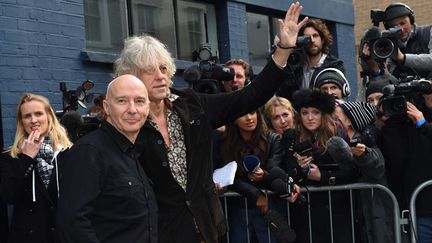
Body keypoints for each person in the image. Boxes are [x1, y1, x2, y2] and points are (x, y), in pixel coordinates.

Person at [113, 2, 309, 242]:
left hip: (206, 227)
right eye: (149, 70)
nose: (161, 76)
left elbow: (251, 96)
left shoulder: (192, 105)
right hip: (158, 232)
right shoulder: (125, 123)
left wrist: (284, 49)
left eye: (163, 67)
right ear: (131, 76)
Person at [56, 75, 158, 243]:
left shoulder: (133, 151)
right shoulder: (89, 152)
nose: (132, 109)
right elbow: (72, 223)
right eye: (122, 101)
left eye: (139, 101)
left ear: (148, 107)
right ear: (107, 107)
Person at [281, 89, 359, 243]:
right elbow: (286, 172)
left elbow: (354, 172)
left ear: (323, 114)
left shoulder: (337, 136)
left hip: (338, 210)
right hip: (305, 212)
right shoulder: (291, 137)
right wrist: (300, 169)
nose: (310, 118)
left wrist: (322, 176)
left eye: (315, 112)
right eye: (305, 113)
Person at [216, 109, 298, 243]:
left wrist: (264, 175)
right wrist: (256, 195)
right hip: (239, 208)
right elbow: (229, 176)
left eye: (252, 112)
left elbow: (274, 169)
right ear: (234, 120)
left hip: (271, 207)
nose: (249, 118)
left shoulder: (273, 139)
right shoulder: (224, 143)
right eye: (243, 114)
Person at [0, 93, 72, 243]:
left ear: (49, 116)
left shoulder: (68, 153)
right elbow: (9, 196)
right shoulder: (10, 156)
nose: (33, 120)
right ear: (21, 122)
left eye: (38, 113)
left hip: (63, 235)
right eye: (27, 116)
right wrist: (26, 158)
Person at [334, 101, 393, 243]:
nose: (332, 121)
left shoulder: (369, 140)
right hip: (352, 216)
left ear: (349, 121)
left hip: (376, 212)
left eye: (336, 117)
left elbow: (377, 165)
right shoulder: (339, 142)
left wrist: (363, 154)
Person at [378, 95, 432, 242]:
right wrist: (392, 122)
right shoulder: (411, 125)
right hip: (421, 211)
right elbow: (396, 159)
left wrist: (423, 124)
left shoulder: (422, 124)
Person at [277, 18, 345, 99]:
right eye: (307, 37)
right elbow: (284, 96)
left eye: (315, 36)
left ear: (322, 40)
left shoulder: (335, 66)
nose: (312, 40)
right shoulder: (295, 67)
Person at [362, 3, 432, 79]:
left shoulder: (428, 31)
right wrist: (371, 63)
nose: (401, 29)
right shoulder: (390, 45)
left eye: (403, 23)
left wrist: (403, 58)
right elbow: (391, 80)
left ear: (411, 21)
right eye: (394, 26)